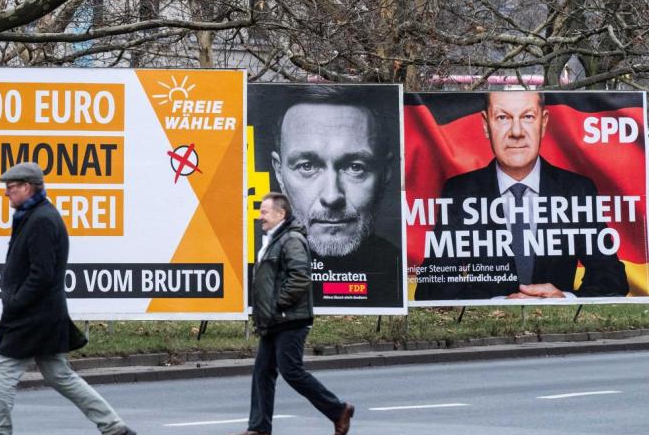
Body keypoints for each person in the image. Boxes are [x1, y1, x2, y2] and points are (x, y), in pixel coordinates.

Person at [0, 162, 137, 435]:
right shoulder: (35, 216)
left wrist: (15, 302)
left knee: (2, 371)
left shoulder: (40, 220)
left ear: (28, 187)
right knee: (59, 375)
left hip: (33, 316)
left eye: (11, 187)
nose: (6, 192)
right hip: (42, 314)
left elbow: (41, 274)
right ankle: (114, 428)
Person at [414, 90, 628, 301]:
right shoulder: (460, 192)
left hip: (558, 330)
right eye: (502, 117)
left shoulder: (576, 190)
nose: (516, 132)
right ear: (485, 124)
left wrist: (565, 299)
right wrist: (498, 304)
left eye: (527, 117)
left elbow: (612, 279)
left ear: (543, 123)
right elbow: (432, 288)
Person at [227, 192, 354, 435]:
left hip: (289, 319)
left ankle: (338, 411)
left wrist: (277, 305)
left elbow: (299, 278)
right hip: (275, 321)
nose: (260, 216)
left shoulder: (292, 239)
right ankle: (260, 428)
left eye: (264, 211)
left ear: (280, 214)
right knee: (263, 372)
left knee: (291, 371)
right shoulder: (275, 240)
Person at [267, 86, 401, 307]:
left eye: (355, 167)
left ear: (385, 172)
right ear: (279, 172)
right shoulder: (253, 274)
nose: (332, 196)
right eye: (307, 166)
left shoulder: (401, 270)